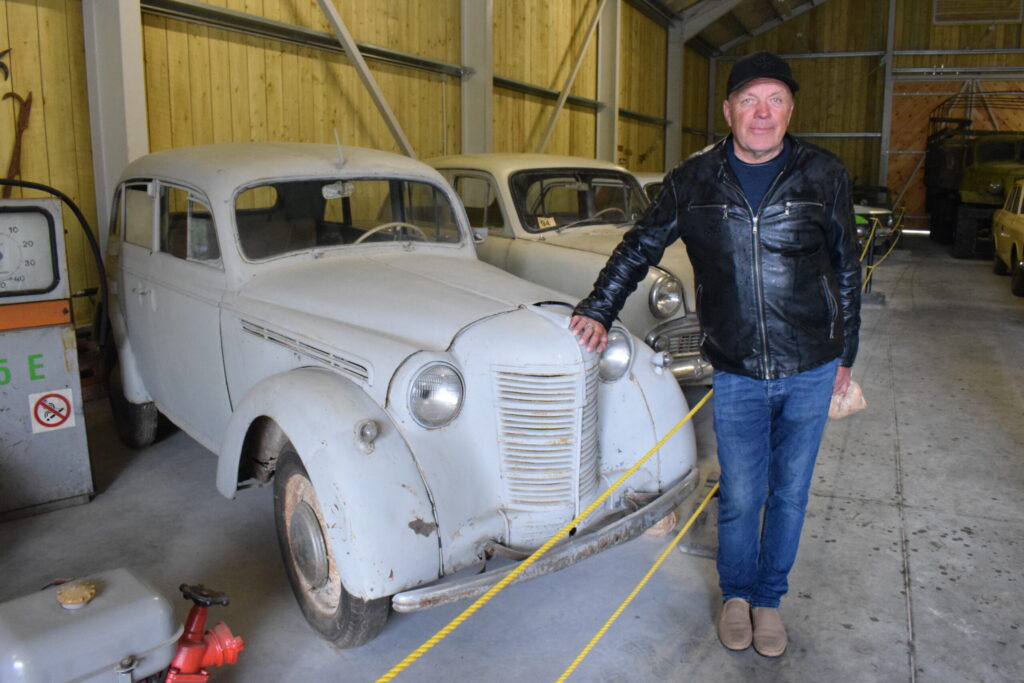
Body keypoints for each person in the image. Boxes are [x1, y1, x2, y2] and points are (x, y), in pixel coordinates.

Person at [569, 50, 861, 658]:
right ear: (728, 111)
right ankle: (736, 595)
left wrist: (847, 356)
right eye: (749, 100)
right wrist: (598, 307)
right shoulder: (693, 181)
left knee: (790, 493)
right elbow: (639, 245)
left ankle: (768, 600)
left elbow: (846, 267)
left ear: (791, 110)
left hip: (811, 367)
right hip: (737, 370)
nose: (762, 112)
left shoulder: (824, 174)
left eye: (775, 100)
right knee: (743, 493)